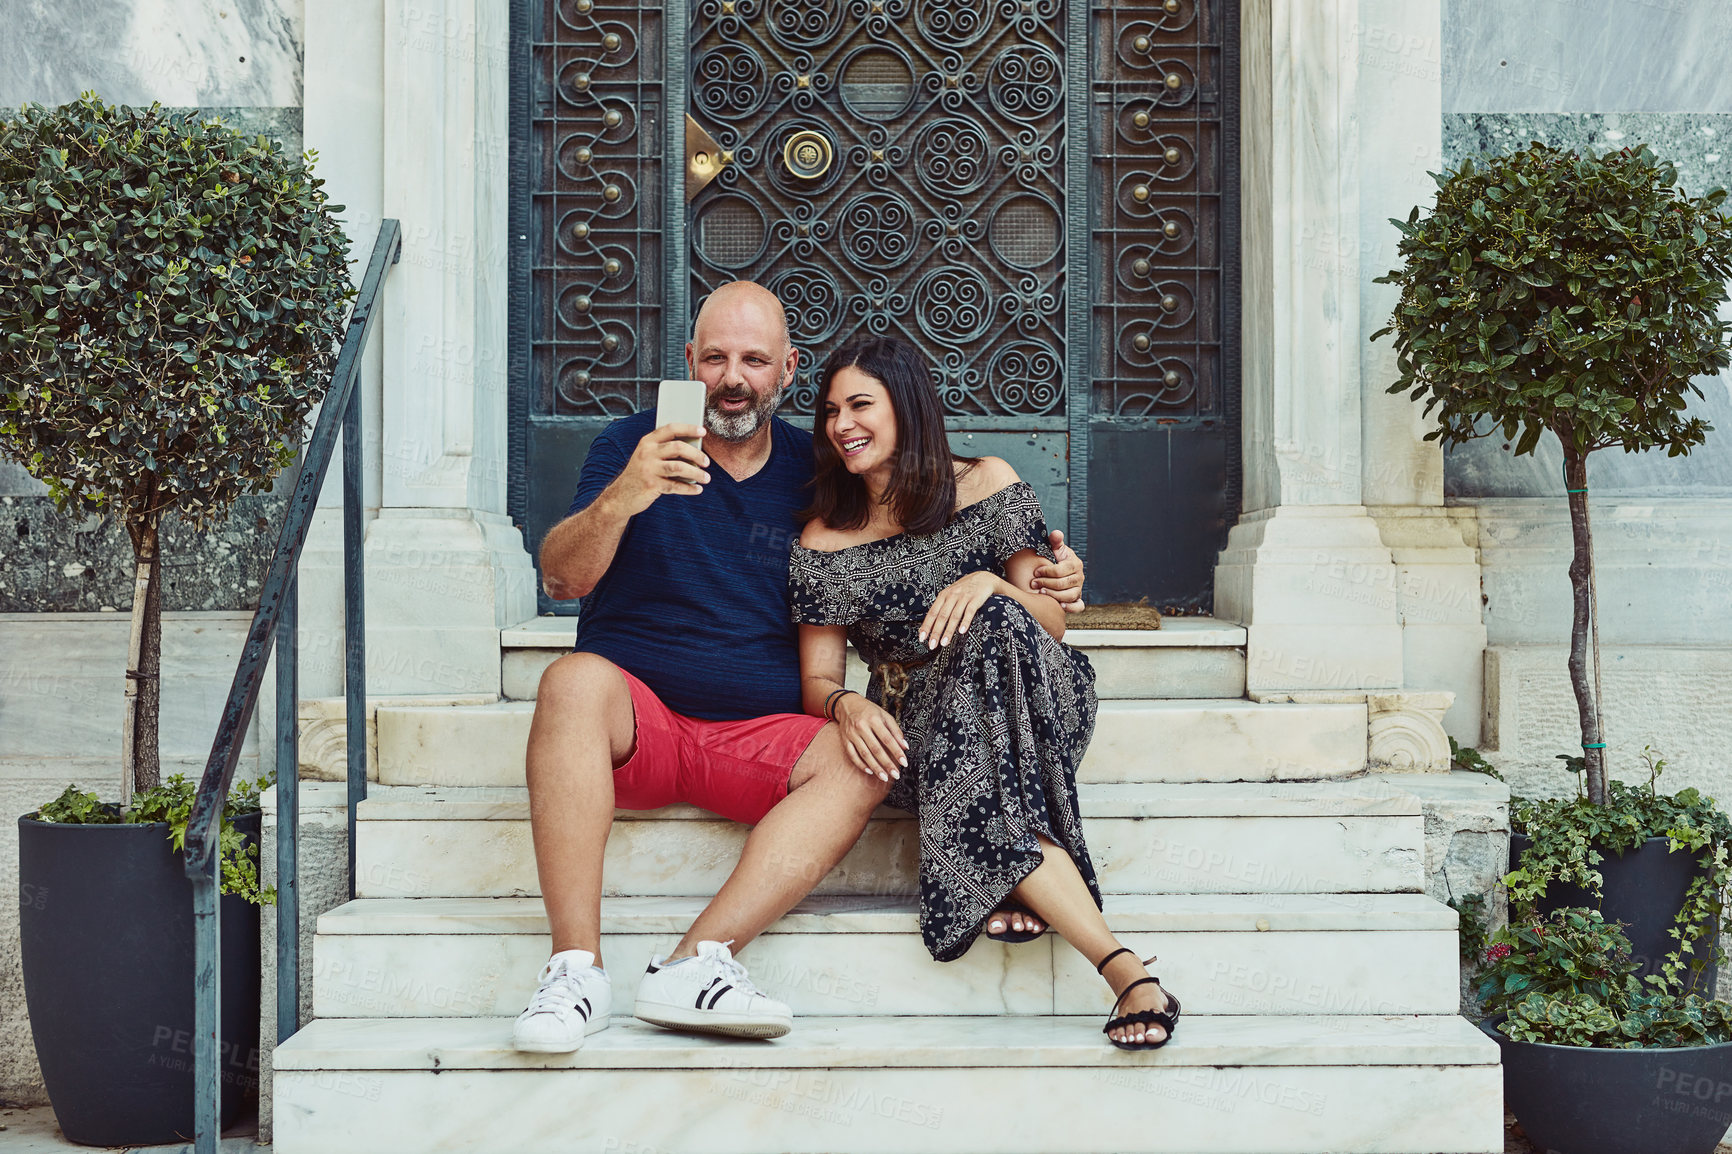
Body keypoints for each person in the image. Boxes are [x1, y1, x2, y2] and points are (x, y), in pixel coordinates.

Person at [513, 281, 1088, 1052]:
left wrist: (1048, 581)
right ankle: (574, 970)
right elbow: (562, 578)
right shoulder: (630, 446)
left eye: (753, 359)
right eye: (714, 357)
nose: (732, 377)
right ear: (688, 362)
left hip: (762, 734)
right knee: (569, 680)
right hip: (637, 724)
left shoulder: (823, 473)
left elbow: (924, 537)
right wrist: (627, 494)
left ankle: (695, 962)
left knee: (868, 758)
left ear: (786, 370)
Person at [787, 336, 1180, 1049]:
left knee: (997, 620)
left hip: (1035, 698)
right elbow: (817, 680)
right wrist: (847, 704)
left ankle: (1012, 888)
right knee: (986, 747)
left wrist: (992, 581)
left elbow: (1053, 623)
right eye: (830, 410)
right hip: (921, 730)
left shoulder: (989, 482)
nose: (841, 423)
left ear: (906, 408)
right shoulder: (824, 540)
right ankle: (1126, 971)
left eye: (861, 404)